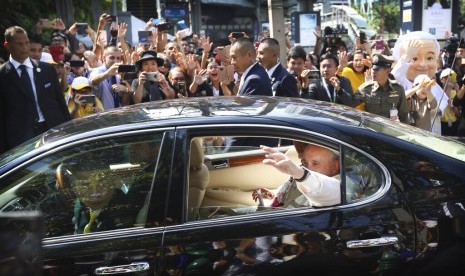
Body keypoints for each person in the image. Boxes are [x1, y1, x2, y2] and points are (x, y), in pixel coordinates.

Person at [0, 26, 71, 153]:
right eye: (19, 44)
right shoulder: (3, 76)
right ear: (7, 45)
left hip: (53, 133)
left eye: (27, 43)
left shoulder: (47, 70)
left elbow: (60, 103)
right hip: (20, 140)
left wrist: (69, 130)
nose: (24, 47)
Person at [391, 31, 448, 134]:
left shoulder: (433, 85)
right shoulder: (403, 84)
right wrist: (406, 57)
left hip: (432, 129)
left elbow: (441, 104)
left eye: (429, 58)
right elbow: (395, 76)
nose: (422, 64)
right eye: (414, 58)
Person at [253, 143, 341, 208]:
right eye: (305, 163)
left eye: (315, 163)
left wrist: (299, 174)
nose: (308, 168)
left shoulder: (342, 187)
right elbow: (291, 190)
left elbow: (323, 190)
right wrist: (273, 194)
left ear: (335, 166)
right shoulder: (303, 171)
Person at [353, 54, 409, 123]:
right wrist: (340, 91)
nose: (373, 71)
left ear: (388, 71)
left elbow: (404, 115)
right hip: (371, 130)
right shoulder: (366, 88)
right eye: (373, 69)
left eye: (376, 69)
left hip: (389, 130)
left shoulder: (398, 89)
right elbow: (349, 104)